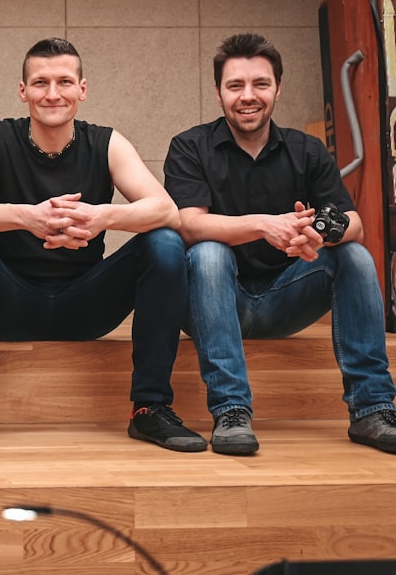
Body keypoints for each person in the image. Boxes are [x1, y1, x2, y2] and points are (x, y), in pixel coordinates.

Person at [0, 37, 206, 454]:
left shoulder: (106, 142)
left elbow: (167, 211)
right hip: (9, 305)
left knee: (166, 243)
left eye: (64, 81)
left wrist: (102, 218)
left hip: (86, 305)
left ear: (82, 89)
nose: (52, 93)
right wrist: (30, 216)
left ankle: (149, 409)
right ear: (23, 91)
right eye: (40, 82)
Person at [164, 32, 396, 455]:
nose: (247, 96)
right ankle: (232, 411)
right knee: (208, 252)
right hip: (212, 301)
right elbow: (190, 225)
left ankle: (373, 409)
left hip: (284, 299)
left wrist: (318, 234)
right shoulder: (190, 147)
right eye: (235, 86)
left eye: (260, 84)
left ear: (277, 89)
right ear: (218, 93)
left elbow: (355, 223)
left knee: (354, 255)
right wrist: (264, 226)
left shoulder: (307, 151)